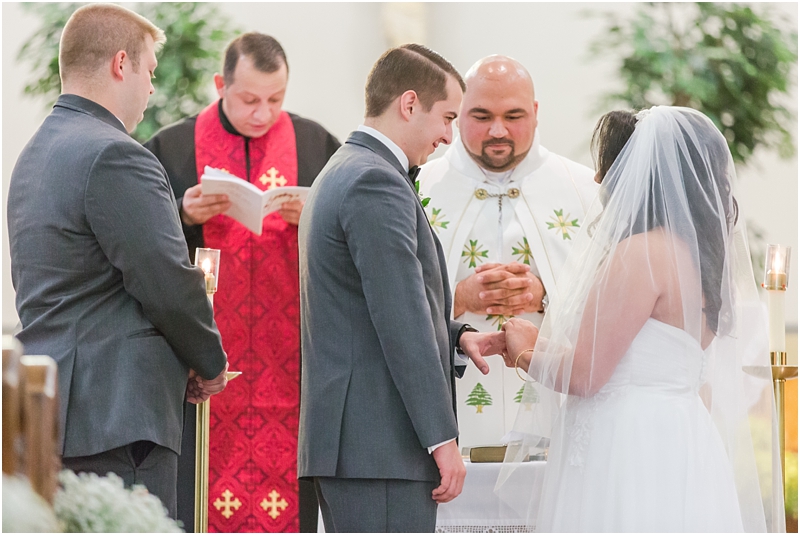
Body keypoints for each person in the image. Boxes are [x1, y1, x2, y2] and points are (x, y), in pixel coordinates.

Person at [496, 106, 785, 532]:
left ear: (637, 173)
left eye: (608, 168)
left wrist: (526, 350)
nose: (598, 181)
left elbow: (586, 375)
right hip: (681, 438)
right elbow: (651, 365)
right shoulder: (701, 258)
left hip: (628, 446)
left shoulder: (640, 253)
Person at [6, 3, 229, 519]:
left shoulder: (34, 154)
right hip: (116, 419)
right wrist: (209, 360)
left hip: (52, 411)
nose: (152, 88)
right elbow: (167, 281)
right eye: (150, 71)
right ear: (121, 63)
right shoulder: (116, 154)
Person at [298, 44, 506, 533]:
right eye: (446, 117)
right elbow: (402, 318)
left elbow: (369, 306)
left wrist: (455, 337)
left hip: (363, 447)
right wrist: (441, 439)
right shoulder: (376, 182)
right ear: (409, 104)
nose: (448, 136)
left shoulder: (345, 168)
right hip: (381, 446)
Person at [144, 32, 340, 532]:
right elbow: (136, 243)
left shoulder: (317, 145)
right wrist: (181, 213)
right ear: (220, 85)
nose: (262, 113)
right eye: (250, 99)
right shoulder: (169, 147)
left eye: (276, 100)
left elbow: (354, 240)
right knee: (197, 500)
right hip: (201, 367)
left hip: (290, 364)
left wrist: (315, 216)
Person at [417, 55, 598, 447]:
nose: (498, 130)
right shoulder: (418, 190)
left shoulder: (584, 190)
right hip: (447, 433)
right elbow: (387, 305)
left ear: (535, 113)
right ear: (458, 114)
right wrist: (458, 298)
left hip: (556, 418)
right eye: (481, 116)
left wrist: (546, 294)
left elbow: (616, 304)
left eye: (513, 116)